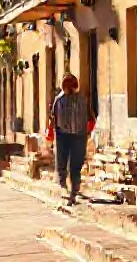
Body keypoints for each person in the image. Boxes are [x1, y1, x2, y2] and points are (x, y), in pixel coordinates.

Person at [48, 73, 95, 205]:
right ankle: (64, 188)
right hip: (63, 136)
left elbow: (91, 118)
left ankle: (73, 191)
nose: (68, 89)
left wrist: (87, 132)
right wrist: (51, 133)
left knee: (75, 165)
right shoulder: (59, 100)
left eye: (70, 86)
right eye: (66, 86)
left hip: (78, 137)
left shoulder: (83, 100)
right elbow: (53, 118)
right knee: (62, 164)